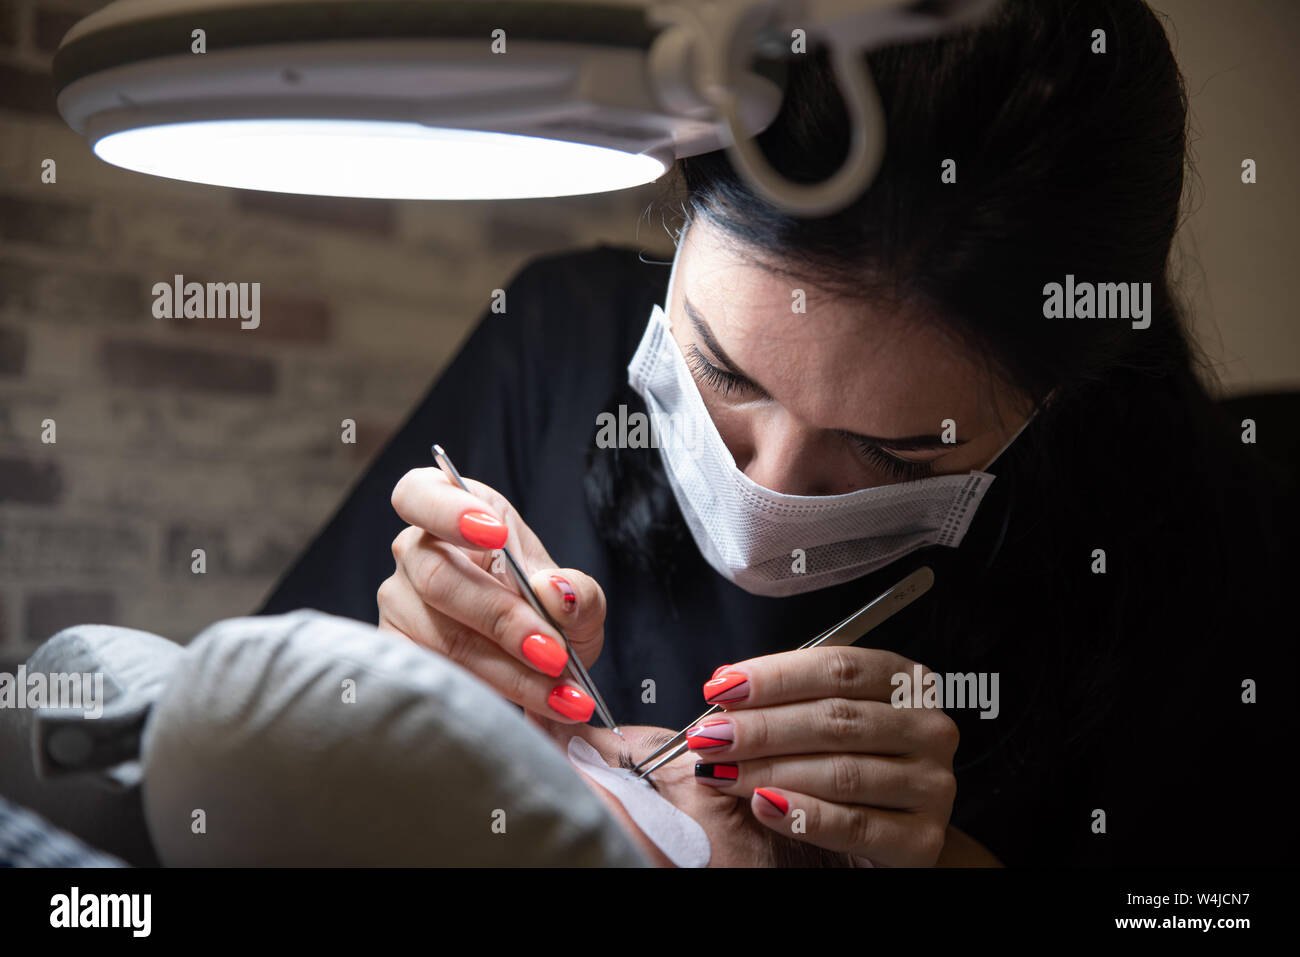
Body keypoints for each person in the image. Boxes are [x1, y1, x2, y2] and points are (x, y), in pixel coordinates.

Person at [263, 0, 1295, 866]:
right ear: (678, 215)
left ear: (1052, 402)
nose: (772, 492)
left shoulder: (1176, 529)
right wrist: (389, 686)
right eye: (721, 372)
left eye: (893, 454)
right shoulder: (551, 341)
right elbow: (229, 762)